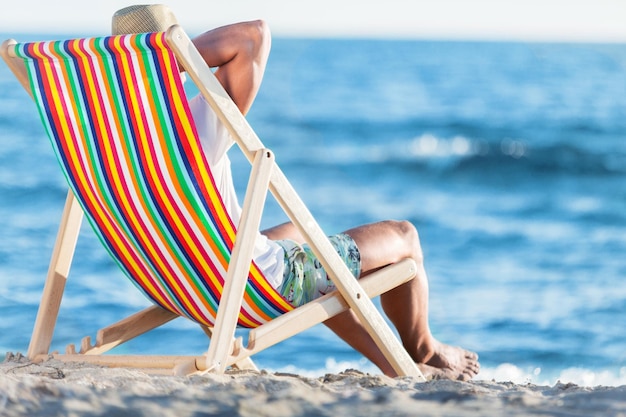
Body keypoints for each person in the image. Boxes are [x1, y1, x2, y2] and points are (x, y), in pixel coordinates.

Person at [112, 5, 480, 381]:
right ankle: (423, 351)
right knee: (405, 236)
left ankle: (392, 360)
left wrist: (138, 74)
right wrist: (169, 59)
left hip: (181, 282)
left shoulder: (110, 142)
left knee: (297, 232)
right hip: (245, 286)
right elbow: (254, 35)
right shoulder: (190, 123)